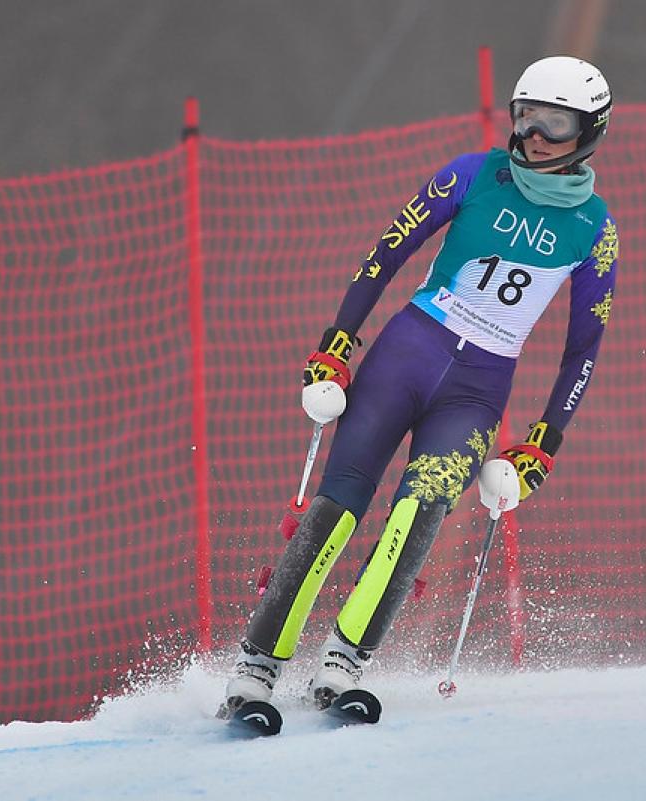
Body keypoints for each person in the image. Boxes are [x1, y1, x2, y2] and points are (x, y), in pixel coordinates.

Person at [219, 55, 619, 715]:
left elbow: (585, 345)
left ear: (590, 131)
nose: (535, 135)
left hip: (477, 390)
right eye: (526, 117)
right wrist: (337, 343)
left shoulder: (595, 230)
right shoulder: (470, 173)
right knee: (338, 507)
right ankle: (256, 667)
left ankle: (344, 663)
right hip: (408, 352)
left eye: (556, 122)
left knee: (420, 508)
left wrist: (546, 438)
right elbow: (386, 255)